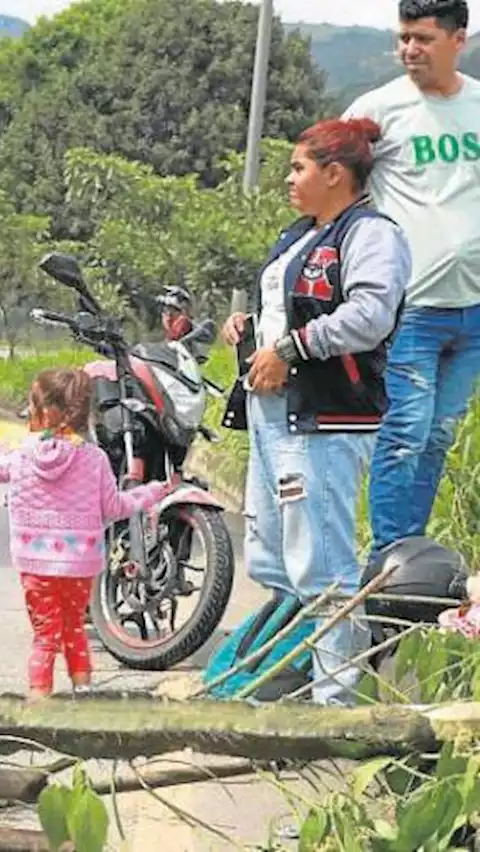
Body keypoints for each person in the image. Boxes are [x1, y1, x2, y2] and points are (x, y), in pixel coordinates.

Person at [220, 117, 412, 705]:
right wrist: (251, 332)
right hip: (274, 415)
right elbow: (288, 308)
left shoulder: (372, 235)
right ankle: (279, 683)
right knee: (273, 559)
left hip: (325, 420)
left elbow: (370, 316)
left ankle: (335, 705)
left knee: (323, 568)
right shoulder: (301, 234)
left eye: (299, 167)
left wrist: (290, 348)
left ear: (335, 174)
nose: (289, 178)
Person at [342, 0, 480, 555]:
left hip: (473, 310)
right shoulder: (377, 111)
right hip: (411, 309)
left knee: (438, 437)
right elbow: (332, 185)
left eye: (422, 38)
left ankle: (415, 561)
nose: (409, 50)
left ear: (458, 40)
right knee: (403, 436)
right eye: (403, 38)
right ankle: (388, 564)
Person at [0, 369, 175, 698]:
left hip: (35, 564)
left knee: (44, 636)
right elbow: (114, 507)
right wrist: (152, 492)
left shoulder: (21, 453)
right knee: (73, 629)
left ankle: (39, 700)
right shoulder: (94, 459)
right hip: (80, 564)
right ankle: (83, 690)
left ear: (42, 412)